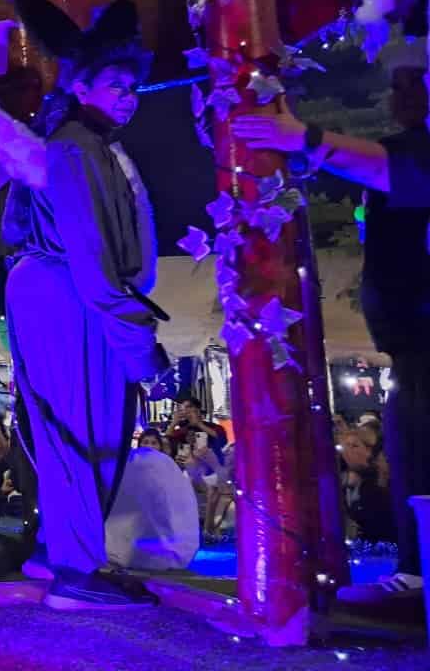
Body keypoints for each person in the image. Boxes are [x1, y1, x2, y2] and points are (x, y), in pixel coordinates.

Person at [231, 35, 428, 604]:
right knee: (414, 455)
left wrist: (307, 139)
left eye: (405, 83)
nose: (395, 95)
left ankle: (420, 581)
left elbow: (400, 172)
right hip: (413, 343)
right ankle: (417, 575)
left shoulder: (417, 154)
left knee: (424, 456)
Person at [0, 0, 165, 609]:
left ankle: (64, 554)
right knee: (79, 428)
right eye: (115, 85)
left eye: (133, 86)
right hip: (67, 294)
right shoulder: (73, 146)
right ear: (82, 84)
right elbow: (92, 256)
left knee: (89, 427)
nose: (129, 98)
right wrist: (137, 342)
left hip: (71, 294)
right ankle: (75, 573)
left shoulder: (93, 144)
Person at [104, 433, 200, 571]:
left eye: (154, 443)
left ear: (160, 446)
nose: (149, 446)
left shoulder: (168, 467)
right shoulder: (131, 465)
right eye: (146, 442)